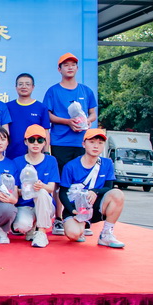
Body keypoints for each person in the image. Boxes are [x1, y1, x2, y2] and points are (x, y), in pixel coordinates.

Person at [43, 53, 98, 236]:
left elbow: (93, 114)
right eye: (66, 65)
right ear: (59, 69)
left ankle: (82, 217)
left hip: (81, 143)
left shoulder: (85, 91)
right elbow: (48, 116)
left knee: (80, 182)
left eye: (73, 64)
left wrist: (87, 121)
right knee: (60, 182)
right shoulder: (53, 91)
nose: (70, 67)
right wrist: (67, 122)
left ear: (77, 68)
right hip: (60, 142)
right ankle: (59, 218)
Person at [58, 129, 125, 248]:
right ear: (84, 144)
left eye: (100, 143)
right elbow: (62, 193)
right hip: (76, 208)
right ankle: (81, 225)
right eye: (92, 142)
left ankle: (106, 234)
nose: (96, 146)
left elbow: (109, 188)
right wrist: (72, 210)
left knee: (117, 194)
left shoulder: (107, 163)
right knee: (73, 234)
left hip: (95, 207)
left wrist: (95, 191)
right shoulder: (71, 166)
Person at [11, 124, 59, 248]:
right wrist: (26, 190)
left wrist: (41, 186)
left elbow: (51, 188)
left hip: (45, 204)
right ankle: (32, 227)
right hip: (25, 205)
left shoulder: (51, 160)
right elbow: (14, 190)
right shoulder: (17, 162)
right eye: (32, 140)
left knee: (42, 192)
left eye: (40, 140)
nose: (36, 143)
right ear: (26, 142)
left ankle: (41, 232)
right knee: (21, 226)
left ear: (45, 143)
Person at [6, 73, 51, 160]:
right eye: (20, 84)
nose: (24, 87)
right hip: (11, 155)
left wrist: (46, 152)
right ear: (16, 87)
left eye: (27, 84)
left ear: (33, 87)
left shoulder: (41, 107)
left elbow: (46, 131)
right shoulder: (7, 107)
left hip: (34, 156)